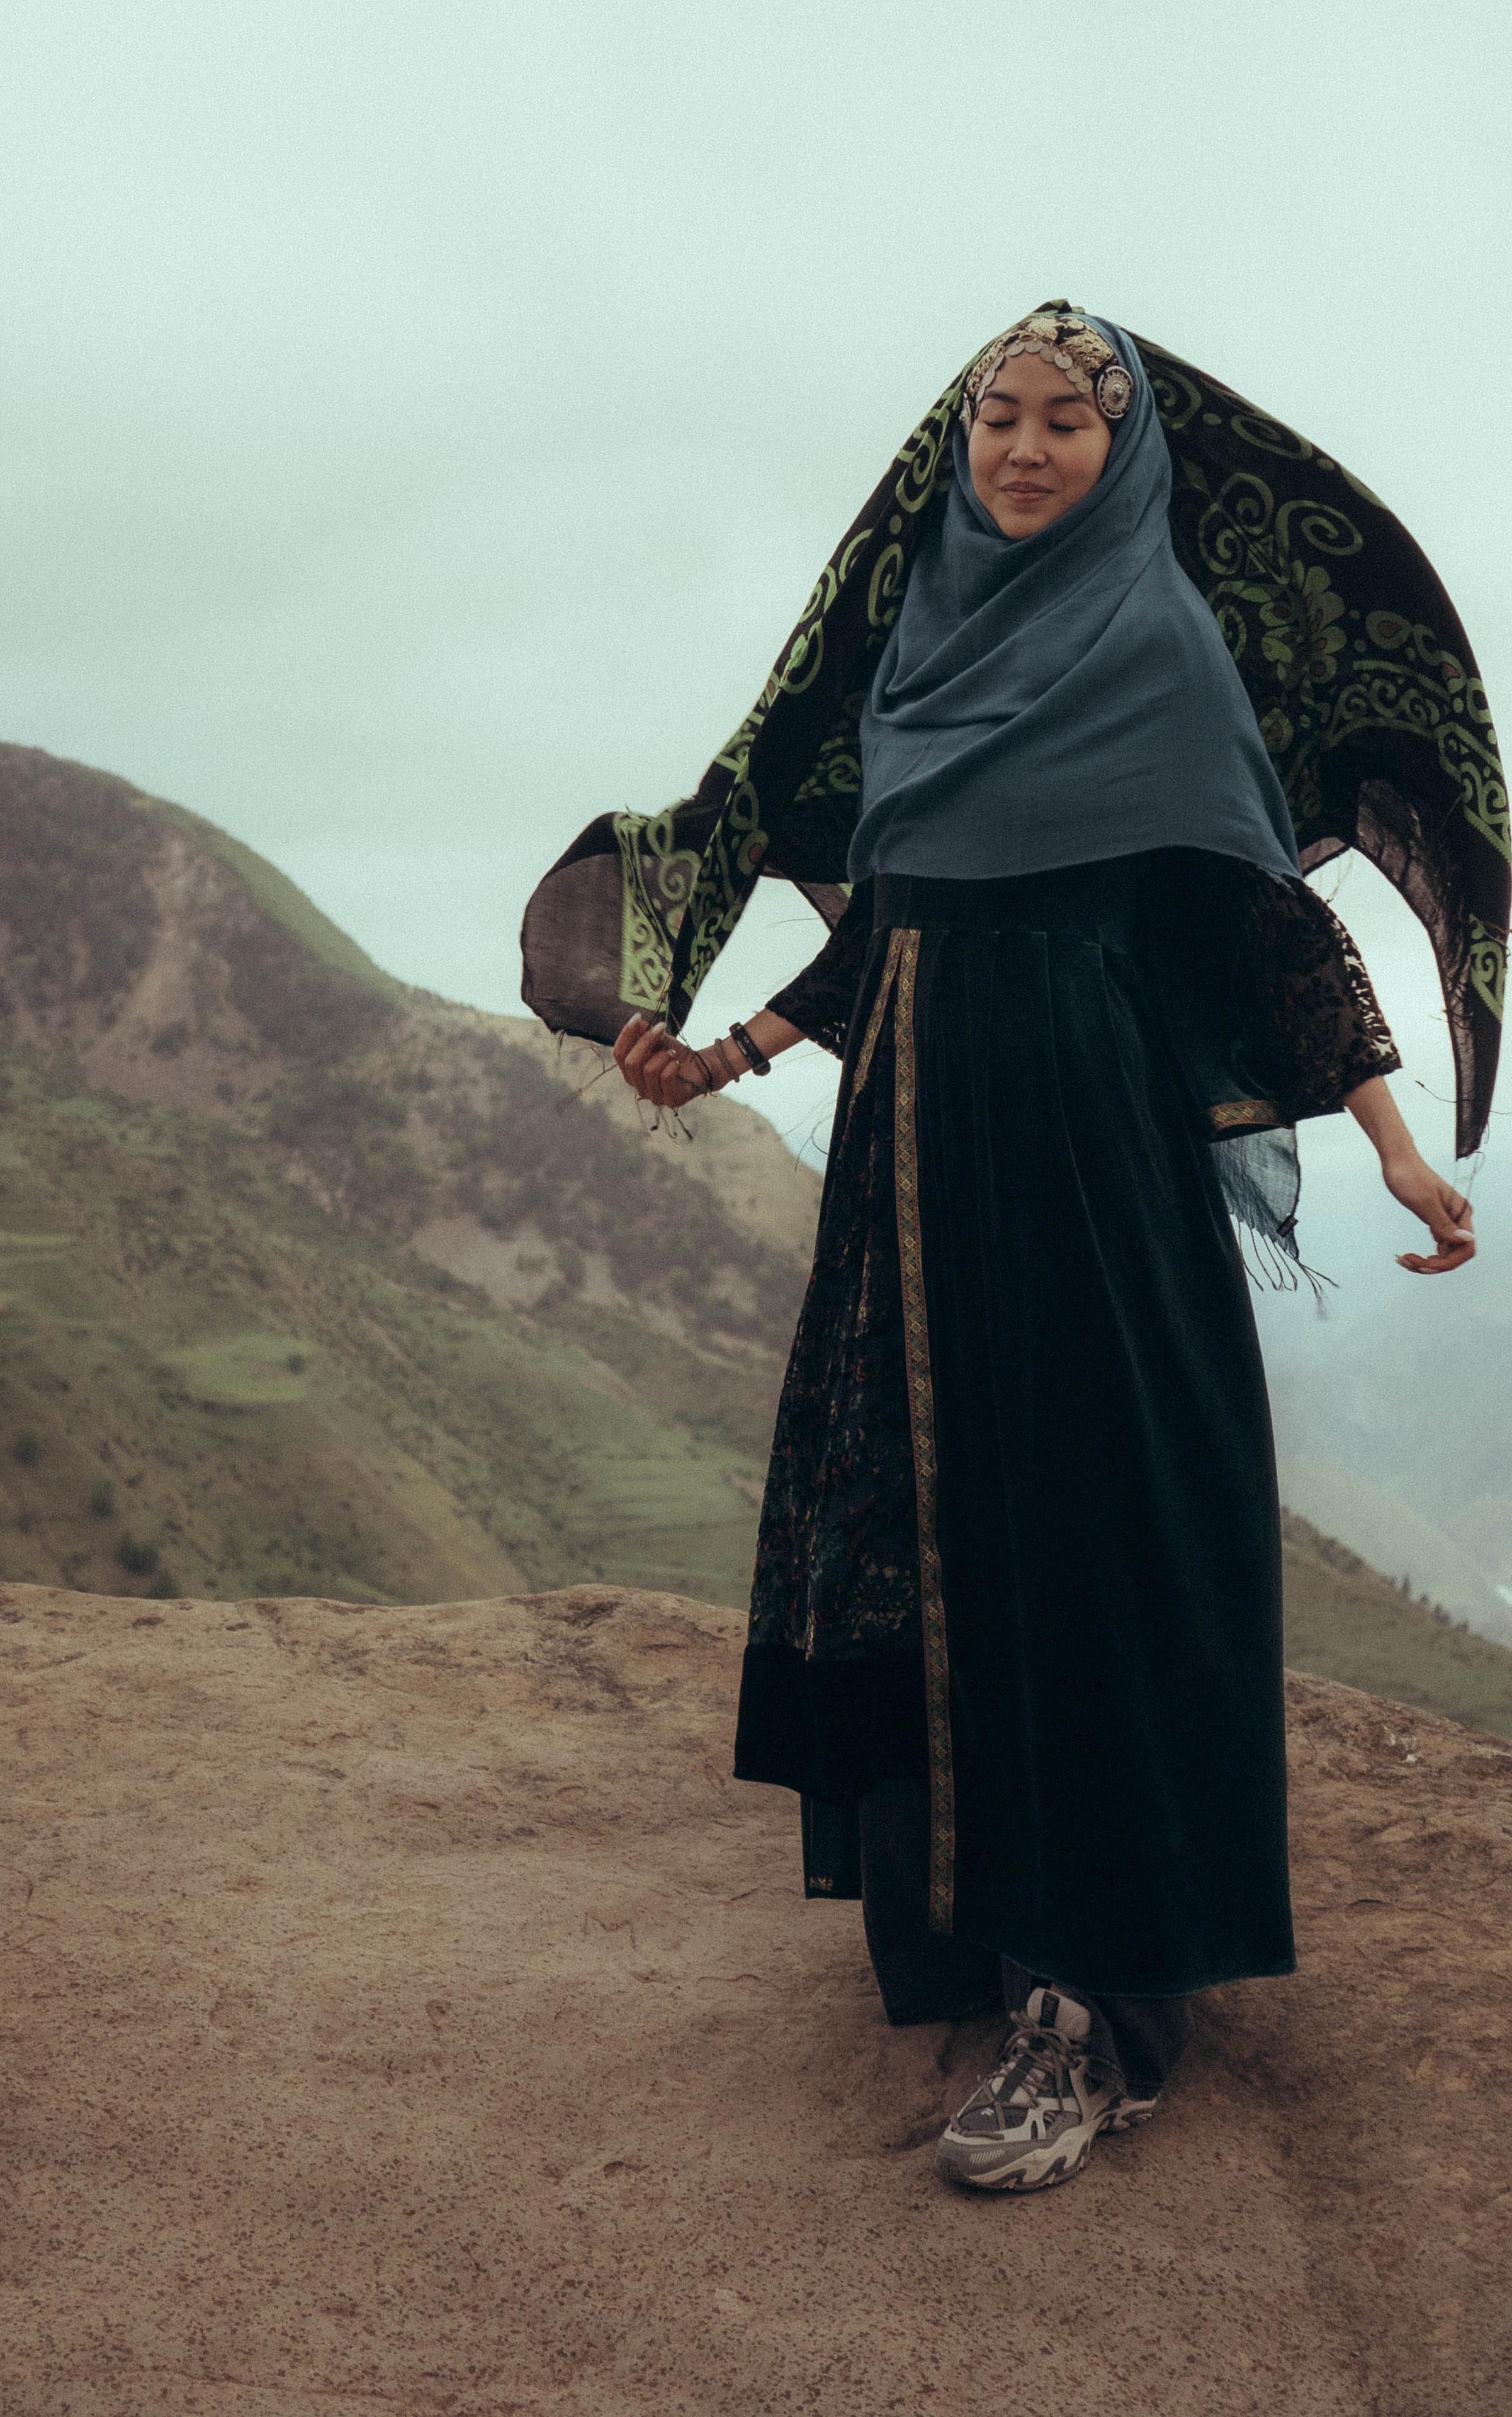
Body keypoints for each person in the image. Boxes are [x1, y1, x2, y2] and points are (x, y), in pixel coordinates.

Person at [522, 305, 1506, 2194]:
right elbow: (895, 915)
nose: (1028, 448)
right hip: (912, 1168)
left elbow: (1258, 926)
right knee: (943, 1527)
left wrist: (1392, 1143)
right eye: (1000, 416)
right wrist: (720, 1056)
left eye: (1070, 420)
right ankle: (980, 1933)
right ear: (958, 441)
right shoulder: (924, 645)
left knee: (1090, 1538)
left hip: (1095, 1174)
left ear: (1128, 456)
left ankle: (1094, 2013)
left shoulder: (1165, 651)